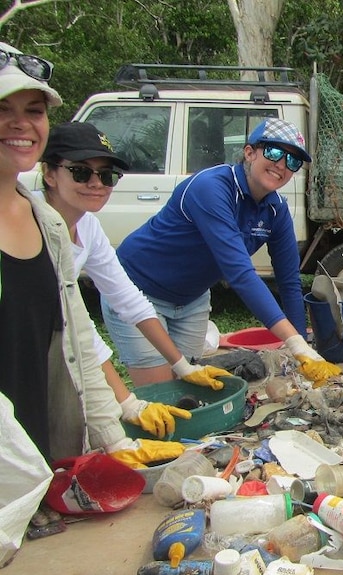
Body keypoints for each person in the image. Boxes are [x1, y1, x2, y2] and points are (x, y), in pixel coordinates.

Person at [0, 42, 184, 561]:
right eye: (2, 110)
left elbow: (78, 331)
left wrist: (113, 430)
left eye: (33, 111)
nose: (21, 125)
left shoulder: (48, 224)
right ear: (54, 172)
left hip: (33, 443)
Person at [101, 118, 341, 387]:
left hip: (192, 299)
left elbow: (289, 281)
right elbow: (239, 273)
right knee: (160, 391)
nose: (282, 165)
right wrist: (294, 343)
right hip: (138, 288)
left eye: (293, 161)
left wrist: (303, 349)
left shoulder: (277, 210)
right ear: (249, 152)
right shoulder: (212, 187)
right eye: (274, 152)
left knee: (186, 384)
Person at [36, 121, 232, 438]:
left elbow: (130, 300)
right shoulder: (34, 226)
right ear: (49, 173)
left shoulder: (87, 226)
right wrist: (127, 402)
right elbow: (77, 330)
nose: (96, 183)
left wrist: (181, 365)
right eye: (81, 172)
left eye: (107, 175)